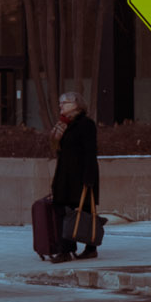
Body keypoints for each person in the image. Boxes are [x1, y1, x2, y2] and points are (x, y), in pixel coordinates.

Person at [49, 89, 100, 261]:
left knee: (83, 211)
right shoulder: (64, 125)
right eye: (60, 103)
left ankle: (87, 247)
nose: (61, 106)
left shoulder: (86, 124)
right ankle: (68, 249)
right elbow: (59, 152)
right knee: (66, 212)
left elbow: (90, 152)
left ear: (76, 105)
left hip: (80, 176)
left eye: (65, 103)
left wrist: (89, 178)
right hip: (65, 177)